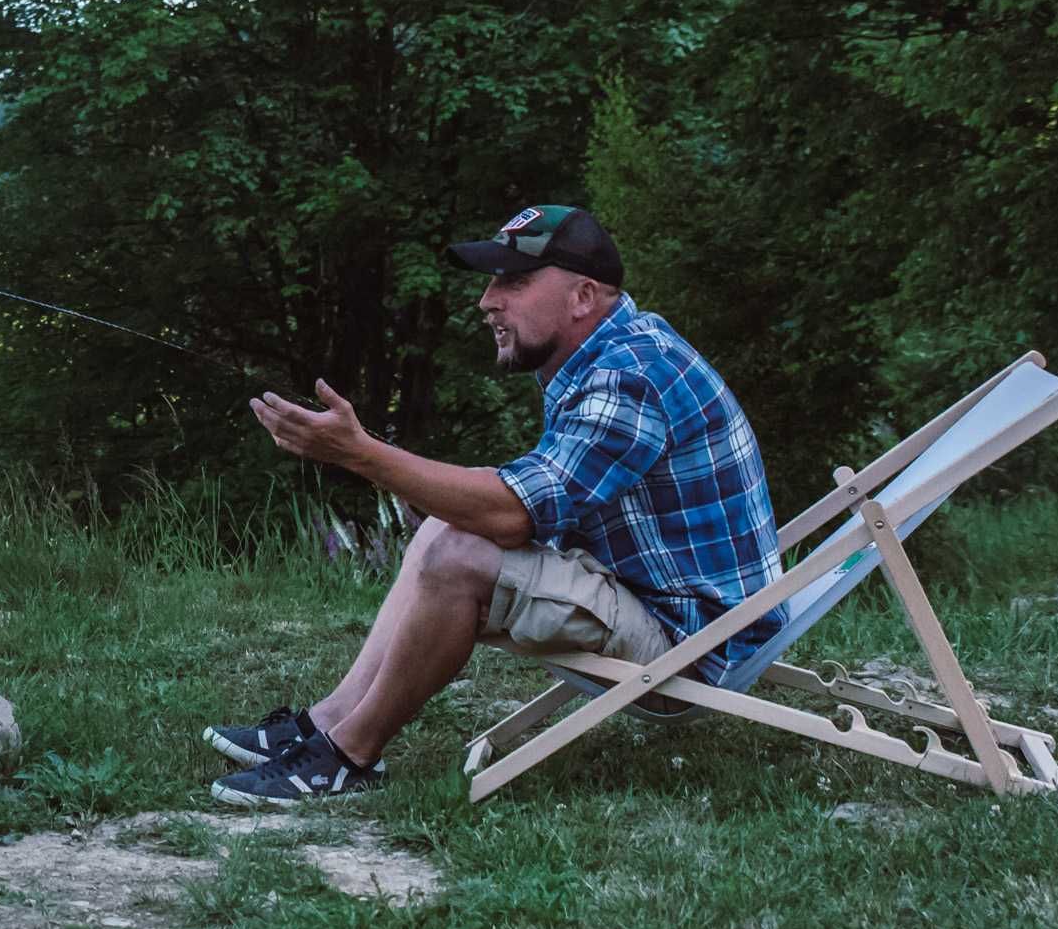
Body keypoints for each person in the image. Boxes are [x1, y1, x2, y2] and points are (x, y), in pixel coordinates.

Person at [205, 205, 778, 803]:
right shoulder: (612, 352)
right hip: (662, 603)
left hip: (692, 646)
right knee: (448, 524)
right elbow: (531, 497)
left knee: (459, 553)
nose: (488, 300)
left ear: (582, 296)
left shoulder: (629, 376)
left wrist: (361, 454)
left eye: (514, 281)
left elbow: (514, 514)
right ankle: (328, 722)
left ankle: (350, 756)